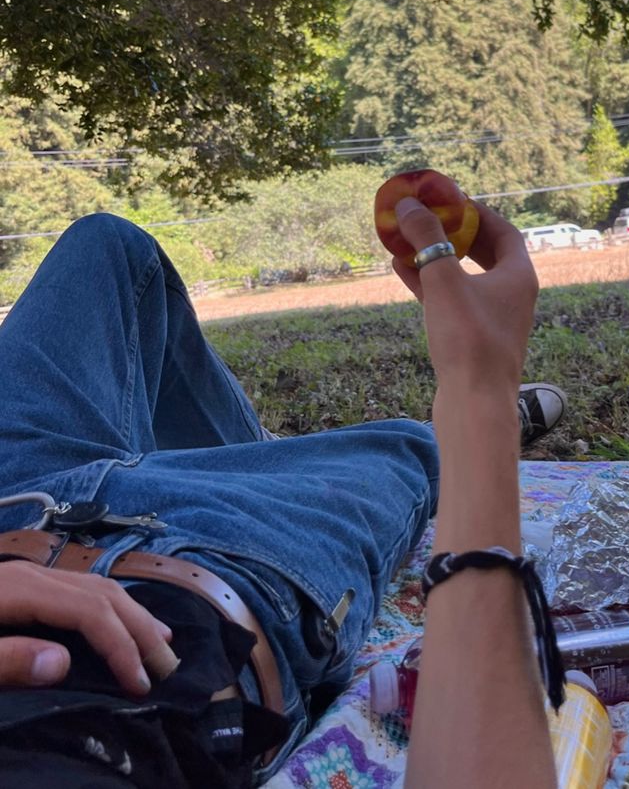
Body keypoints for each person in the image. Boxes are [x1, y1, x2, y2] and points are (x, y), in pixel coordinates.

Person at [0, 199, 561, 787]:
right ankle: (404, 448)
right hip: (208, 573)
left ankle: (258, 454)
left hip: (18, 500)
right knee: (401, 450)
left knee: (108, 245)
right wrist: (480, 403)